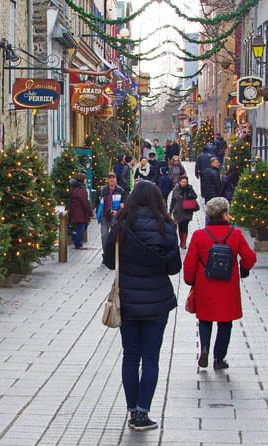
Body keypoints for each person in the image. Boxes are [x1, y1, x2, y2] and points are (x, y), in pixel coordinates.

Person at [104, 181, 182, 431]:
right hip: (157, 303)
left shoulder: (121, 226)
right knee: (151, 358)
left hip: (128, 301)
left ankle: (131, 409)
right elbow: (174, 267)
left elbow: (108, 261)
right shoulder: (167, 228)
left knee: (130, 356)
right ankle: (142, 412)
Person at [183, 197, 256, 370]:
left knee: (205, 320)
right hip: (227, 286)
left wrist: (190, 280)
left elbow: (189, 262)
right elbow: (250, 257)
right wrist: (244, 268)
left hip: (205, 284)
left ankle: (205, 348)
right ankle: (219, 358)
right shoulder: (236, 234)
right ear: (224, 214)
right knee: (225, 322)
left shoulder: (200, 235)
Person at [98, 172, 127, 249]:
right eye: (110, 178)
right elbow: (98, 202)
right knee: (104, 235)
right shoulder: (102, 190)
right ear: (107, 180)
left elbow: (124, 205)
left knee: (116, 236)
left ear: (116, 179)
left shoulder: (121, 190)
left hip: (116, 216)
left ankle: (114, 253)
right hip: (104, 216)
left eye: (113, 177)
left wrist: (117, 212)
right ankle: (105, 253)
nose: (112, 179)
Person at [168, 175, 198, 249]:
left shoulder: (189, 188)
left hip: (187, 211)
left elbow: (195, 196)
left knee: (185, 226)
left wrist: (189, 194)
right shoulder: (176, 189)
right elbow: (173, 200)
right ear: (179, 182)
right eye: (183, 182)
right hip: (178, 211)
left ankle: (183, 242)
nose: (184, 183)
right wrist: (170, 210)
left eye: (185, 182)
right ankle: (181, 240)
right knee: (180, 226)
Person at [68, 172, 94, 250]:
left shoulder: (75, 188)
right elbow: (85, 202)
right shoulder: (81, 190)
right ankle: (78, 243)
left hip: (76, 211)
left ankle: (76, 239)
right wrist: (90, 212)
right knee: (82, 227)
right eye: (85, 179)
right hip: (80, 212)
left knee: (82, 226)